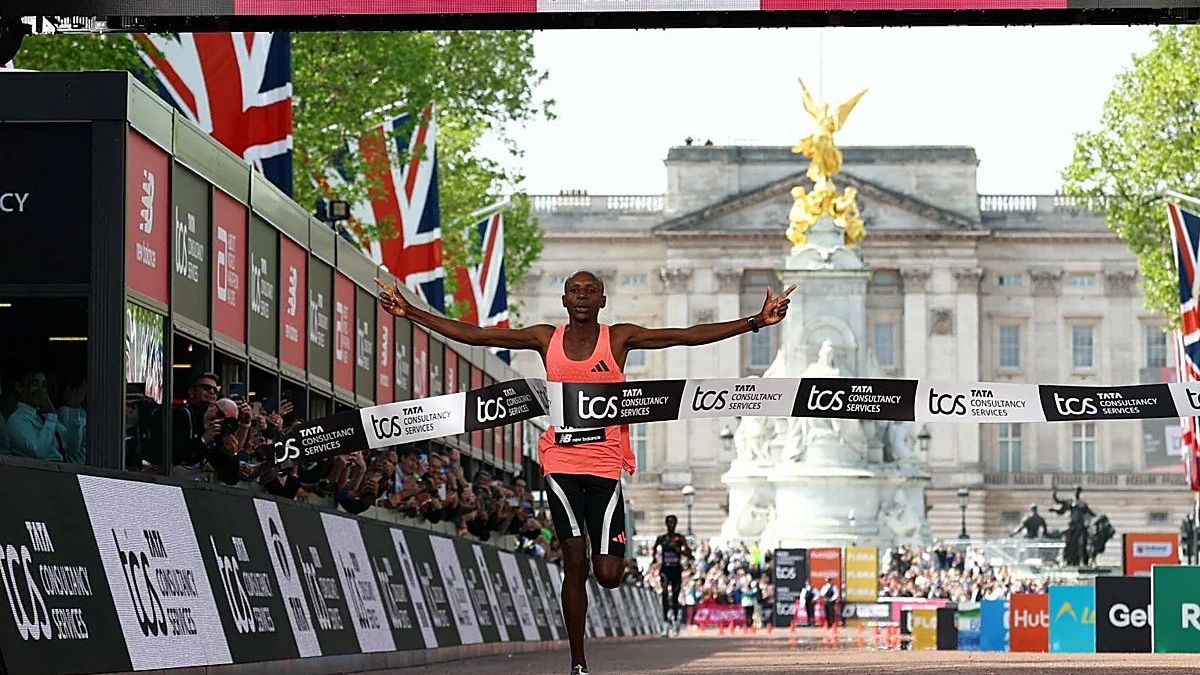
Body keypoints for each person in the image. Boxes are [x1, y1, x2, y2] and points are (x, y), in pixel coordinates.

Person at [378, 270, 793, 675]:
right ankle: (578, 662)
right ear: (564, 300)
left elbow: (683, 335)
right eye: (573, 290)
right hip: (560, 463)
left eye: (589, 290)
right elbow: (478, 335)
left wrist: (755, 322)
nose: (580, 296)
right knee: (574, 564)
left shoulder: (619, 338)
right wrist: (411, 311)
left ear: (601, 300)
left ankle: (601, 569)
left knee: (608, 575)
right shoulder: (546, 338)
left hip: (605, 466)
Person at [4, 369, 85, 463]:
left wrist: (73, 409)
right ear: (19, 387)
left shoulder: (44, 416)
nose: (41, 390)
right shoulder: (15, 419)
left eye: (44, 385)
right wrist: (51, 417)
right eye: (34, 384)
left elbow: (72, 448)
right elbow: (38, 452)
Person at [653, 514, 691, 636]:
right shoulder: (661, 539)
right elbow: (654, 551)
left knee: (674, 596)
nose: (671, 525)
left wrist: (678, 550)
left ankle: (675, 620)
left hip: (676, 569)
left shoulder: (679, 538)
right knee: (664, 593)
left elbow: (689, 554)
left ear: (676, 524)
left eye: (673, 522)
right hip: (665, 569)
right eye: (669, 522)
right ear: (666, 524)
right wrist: (654, 560)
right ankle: (665, 622)